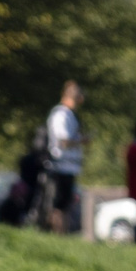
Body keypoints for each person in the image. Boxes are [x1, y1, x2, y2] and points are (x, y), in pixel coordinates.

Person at [42, 80, 85, 232]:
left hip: (68, 167)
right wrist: (82, 141)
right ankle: (57, 233)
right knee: (59, 205)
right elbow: (63, 141)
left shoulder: (69, 115)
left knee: (65, 204)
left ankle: (62, 233)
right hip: (60, 166)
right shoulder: (61, 114)